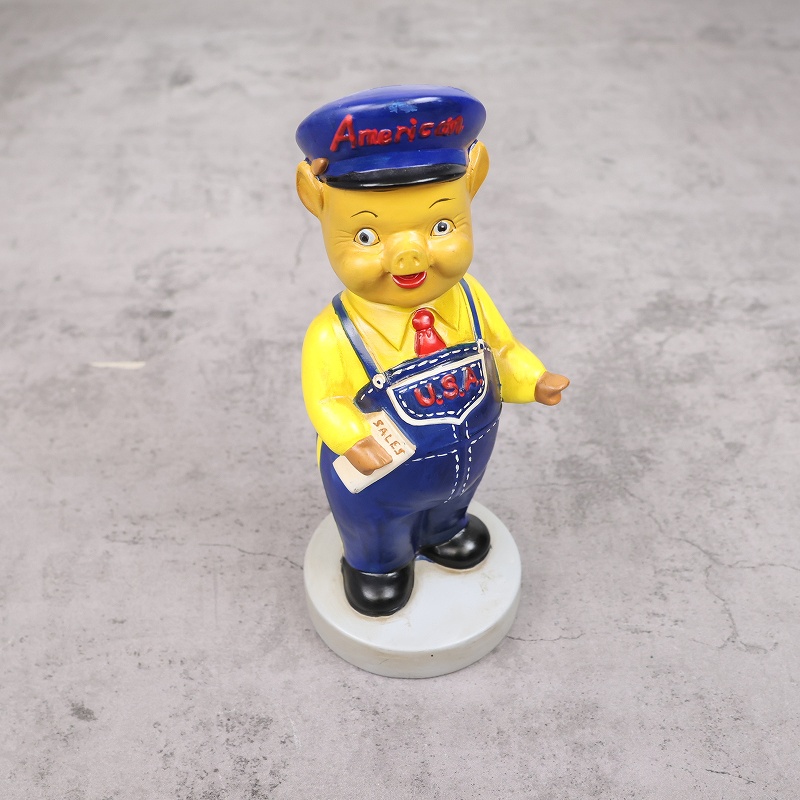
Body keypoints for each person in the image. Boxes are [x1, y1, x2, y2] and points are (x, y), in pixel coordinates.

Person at [296, 86, 569, 617]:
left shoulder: (470, 298)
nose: (411, 255)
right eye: (368, 236)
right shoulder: (334, 333)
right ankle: (377, 563)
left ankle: (446, 529)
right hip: (378, 477)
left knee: (454, 501)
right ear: (319, 205)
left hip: (467, 458)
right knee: (376, 524)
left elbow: (502, 349)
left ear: (472, 187)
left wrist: (534, 379)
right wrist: (353, 439)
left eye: (441, 227)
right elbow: (325, 400)